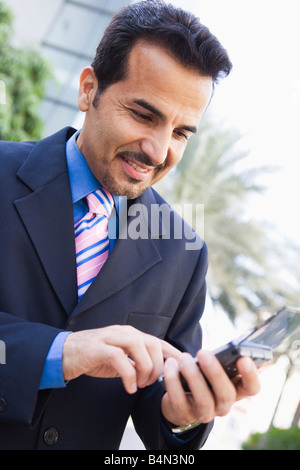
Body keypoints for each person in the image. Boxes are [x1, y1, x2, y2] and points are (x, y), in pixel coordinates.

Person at [0, 0, 260, 450]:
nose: (159, 152)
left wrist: (180, 416)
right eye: (144, 115)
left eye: (181, 133)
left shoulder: (183, 252)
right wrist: (59, 353)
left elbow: (161, 423)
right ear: (88, 91)